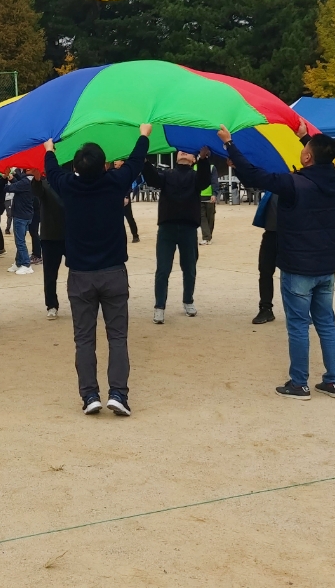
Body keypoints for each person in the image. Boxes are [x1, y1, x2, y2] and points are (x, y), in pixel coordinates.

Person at [221, 122, 335, 400]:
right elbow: (330, 161)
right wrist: (306, 138)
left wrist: (230, 144)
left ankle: (299, 383)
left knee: (299, 325)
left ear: (307, 156)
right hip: (326, 266)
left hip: (298, 266)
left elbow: (255, 175)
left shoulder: (294, 183)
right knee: (326, 323)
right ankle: (333, 381)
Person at [45, 125, 151, 416]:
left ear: (76, 167)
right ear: (104, 165)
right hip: (113, 272)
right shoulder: (115, 183)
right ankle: (118, 393)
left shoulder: (68, 186)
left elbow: (52, 172)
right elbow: (135, 162)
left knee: (84, 338)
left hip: (80, 275)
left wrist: (50, 150)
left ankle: (90, 395)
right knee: (117, 336)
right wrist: (143, 135)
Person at [142, 150, 213, 323]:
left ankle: (188, 300)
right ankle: (159, 306)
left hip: (189, 228)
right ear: (176, 156)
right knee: (162, 269)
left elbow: (204, 182)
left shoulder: (196, 176)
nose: (183, 153)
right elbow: (152, 179)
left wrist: (204, 160)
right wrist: (144, 162)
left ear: (193, 159)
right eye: (181, 151)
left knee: (189, 268)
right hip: (167, 227)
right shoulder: (166, 175)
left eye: (188, 152)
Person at [33, 170, 66, 320]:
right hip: (50, 235)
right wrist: (37, 179)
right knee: (50, 273)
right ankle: (51, 305)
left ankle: (83, 300)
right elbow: (36, 192)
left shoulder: (68, 180)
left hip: (71, 234)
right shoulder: (43, 182)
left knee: (80, 270)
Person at [252, 191, 279, 324]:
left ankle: (301, 310)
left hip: (292, 235)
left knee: (293, 274)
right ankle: (265, 308)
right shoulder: (272, 186)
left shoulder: (300, 184)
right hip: (271, 234)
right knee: (265, 271)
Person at [4, 169, 35, 274]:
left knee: (20, 242)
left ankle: (26, 264)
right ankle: (18, 263)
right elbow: (18, 185)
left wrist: (2, 178)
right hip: (26, 215)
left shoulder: (25, 182)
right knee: (20, 240)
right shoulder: (29, 181)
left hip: (21, 216)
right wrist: (12, 178)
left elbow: (9, 188)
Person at [197, 146, 220, 245]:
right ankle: (206, 237)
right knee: (202, 218)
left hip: (209, 196)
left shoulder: (212, 168)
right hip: (198, 196)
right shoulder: (194, 166)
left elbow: (214, 181)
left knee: (210, 217)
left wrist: (214, 194)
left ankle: (208, 236)